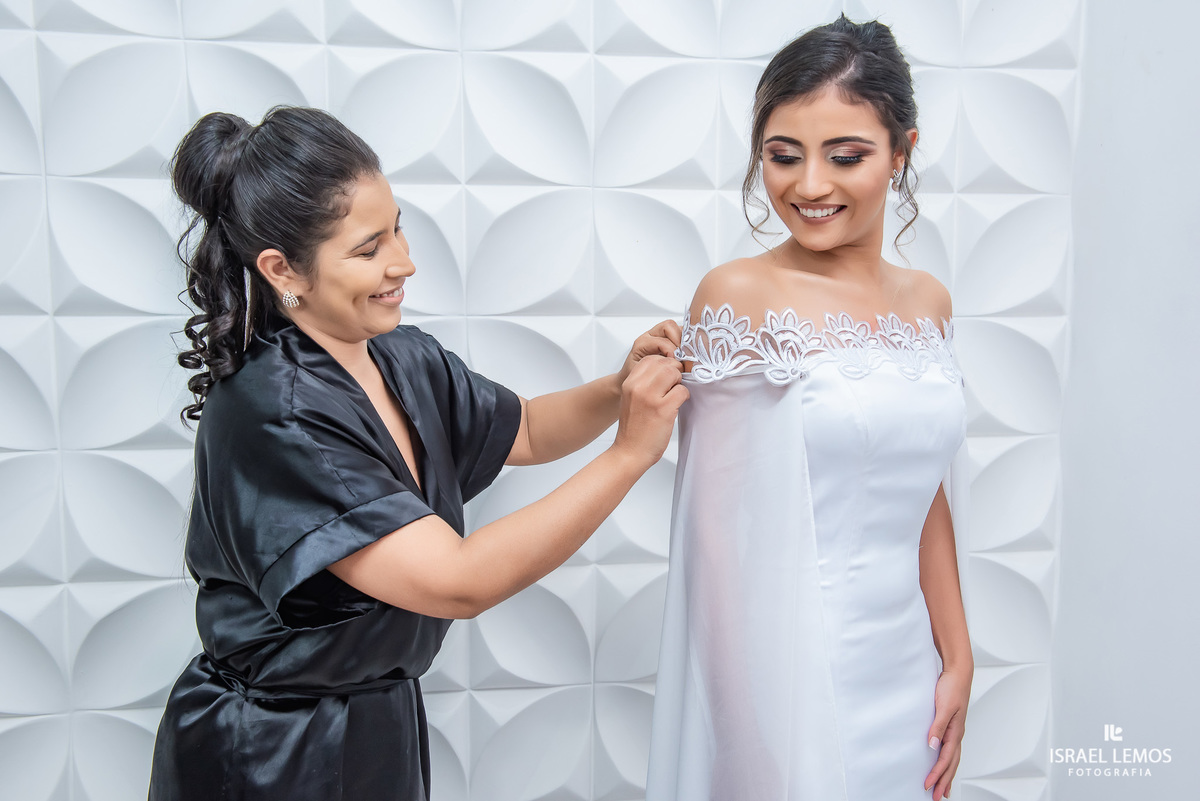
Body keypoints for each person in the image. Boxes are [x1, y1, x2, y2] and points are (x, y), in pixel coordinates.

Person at [147, 106, 687, 801]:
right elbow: (458, 581)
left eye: (397, 226)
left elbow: (521, 428)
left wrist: (619, 387)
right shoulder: (274, 413)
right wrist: (630, 455)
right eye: (368, 248)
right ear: (284, 269)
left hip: (378, 725)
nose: (403, 261)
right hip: (270, 752)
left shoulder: (401, 356)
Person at [646, 16, 971, 801]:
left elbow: (920, 486)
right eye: (782, 156)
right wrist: (746, 737)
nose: (809, 185)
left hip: (907, 673)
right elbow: (715, 552)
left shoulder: (928, 301)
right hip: (790, 678)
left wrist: (957, 655)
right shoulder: (739, 296)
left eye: (846, 155)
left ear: (903, 150)